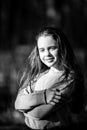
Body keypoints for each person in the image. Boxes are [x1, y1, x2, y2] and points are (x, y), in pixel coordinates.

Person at [14, 26, 84, 130]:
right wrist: (44, 97)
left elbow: (37, 114)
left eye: (52, 48)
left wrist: (26, 108)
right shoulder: (40, 75)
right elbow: (18, 103)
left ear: (62, 48)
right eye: (42, 50)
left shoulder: (68, 78)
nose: (47, 54)